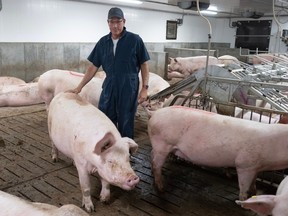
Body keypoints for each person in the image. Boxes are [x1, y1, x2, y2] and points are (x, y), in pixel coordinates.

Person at [69, 7, 150, 139]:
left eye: (118, 21)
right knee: (106, 117)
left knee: (126, 120)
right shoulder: (103, 42)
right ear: (108, 23)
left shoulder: (135, 40)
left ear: (124, 21)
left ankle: (126, 152)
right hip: (109, 85)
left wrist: (144, 88)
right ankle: (110, 150)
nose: (115, 25)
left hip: (129, 86)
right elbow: (93, 67)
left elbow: (144, 64)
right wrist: (79, 87)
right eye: (112, 22)